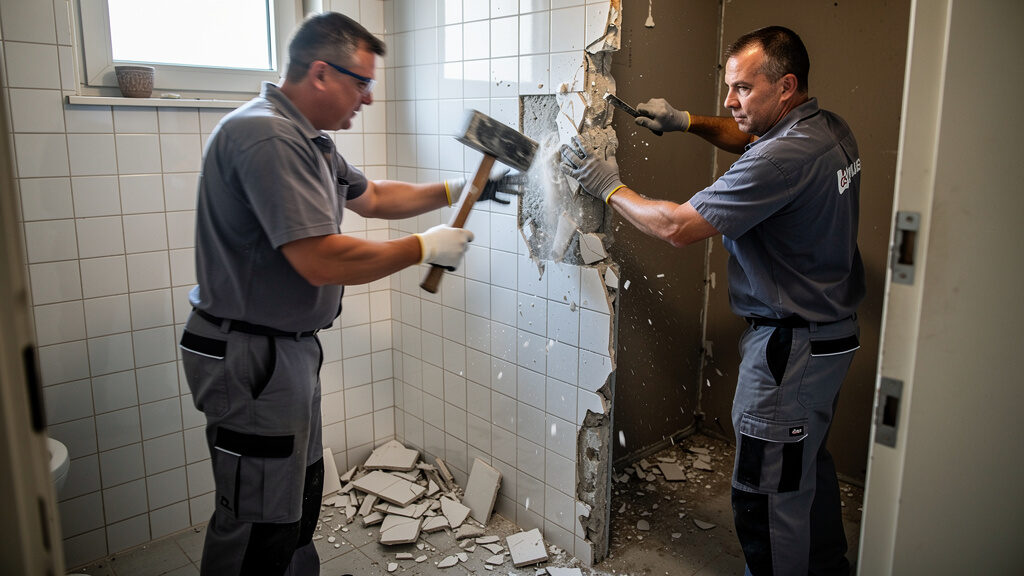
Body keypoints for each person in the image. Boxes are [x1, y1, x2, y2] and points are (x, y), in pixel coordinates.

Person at [179, 12, 518, 576]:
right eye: (360, 82)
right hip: (251, 352)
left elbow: (375, 196)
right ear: (319, 72)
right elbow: (320, 258)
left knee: (296, 498)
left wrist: (464, 189)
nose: (366, 98)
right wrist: (422, 248)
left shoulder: (310, 139)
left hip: (284, 349)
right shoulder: (265, 135)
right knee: (259, 518)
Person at [560, 26, 863, 576]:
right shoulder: (828, 131)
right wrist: (687, 122)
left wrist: (608, 186)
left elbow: (677, 226)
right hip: (830, 339)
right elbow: (753, 136)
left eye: (743, 89)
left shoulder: (780, 161)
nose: (729, 101)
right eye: (729, 88)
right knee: (803, 474)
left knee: (766, 500)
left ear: (786, 85)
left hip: (787, 353)